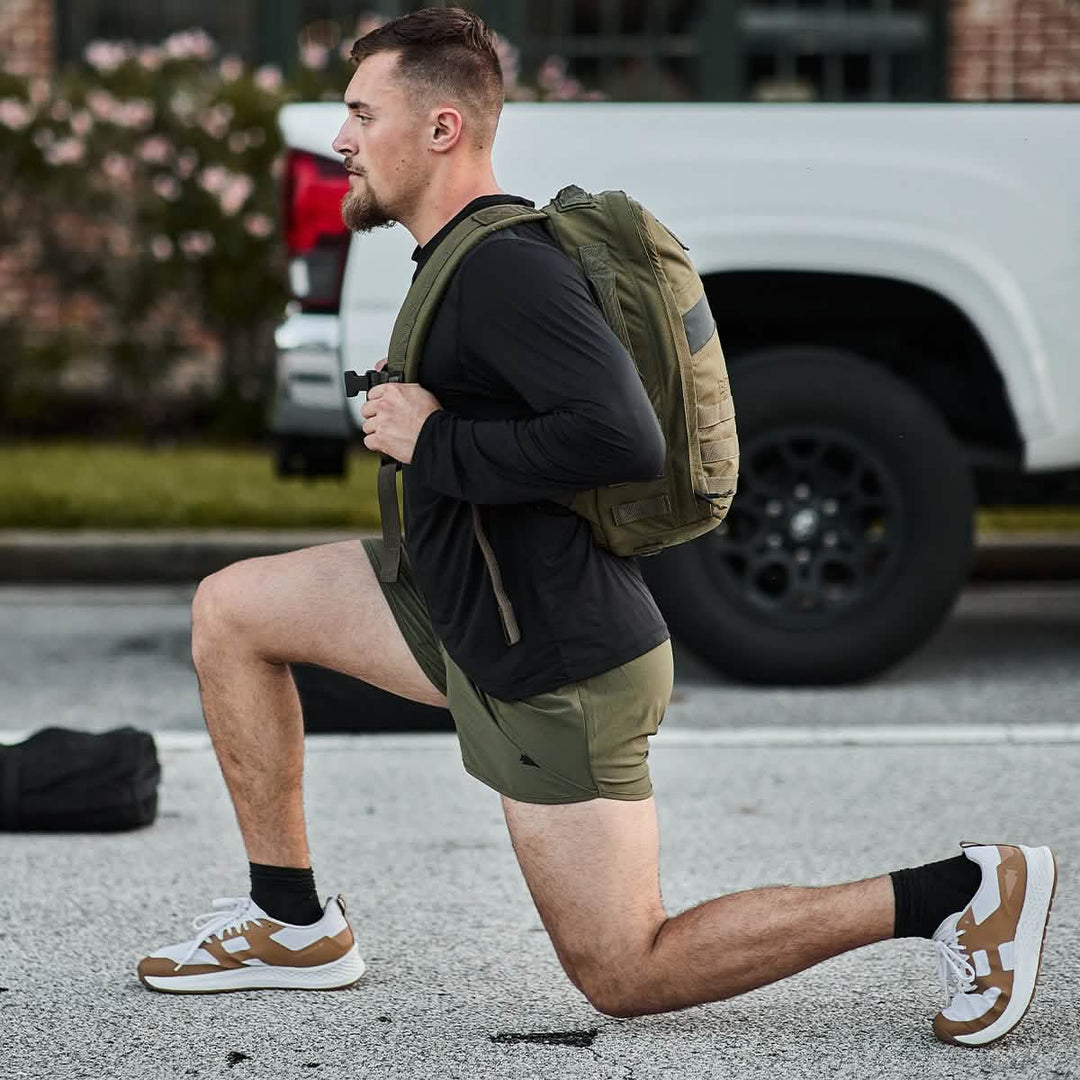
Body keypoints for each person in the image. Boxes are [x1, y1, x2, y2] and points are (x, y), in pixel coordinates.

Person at [136, 6, 1057, 1047]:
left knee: (626, 968)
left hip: (553, 663)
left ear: (441, 128)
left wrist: (432, 440)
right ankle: (289, 920)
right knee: (234, 611)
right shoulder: (458, 253)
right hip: (456, 600)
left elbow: (621, 440)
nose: (341, 140)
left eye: (360, 114)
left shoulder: (505, 270)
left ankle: (959, 892)